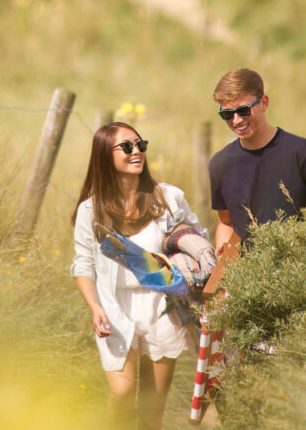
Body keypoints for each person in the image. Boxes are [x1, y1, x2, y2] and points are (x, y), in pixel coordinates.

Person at [71, 122, 207, 430]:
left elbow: (194, 240)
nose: (137, 152)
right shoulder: (90, 210)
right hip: (114, 307)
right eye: (127, 147)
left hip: (163, 308)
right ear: (105, 156)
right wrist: (95, 308)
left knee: (151, 410)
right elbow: (82, 265)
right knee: (121, 393)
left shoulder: (169, 198)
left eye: (140, 144)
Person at [209, 68, 306, 255]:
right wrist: (223, 250)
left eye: (244, 110)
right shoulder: (219, 164)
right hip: (248, 277)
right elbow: (226, 222)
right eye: (227, 114)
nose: (236, 120)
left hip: (302, 270)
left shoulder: (303, 153)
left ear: (264, 103)